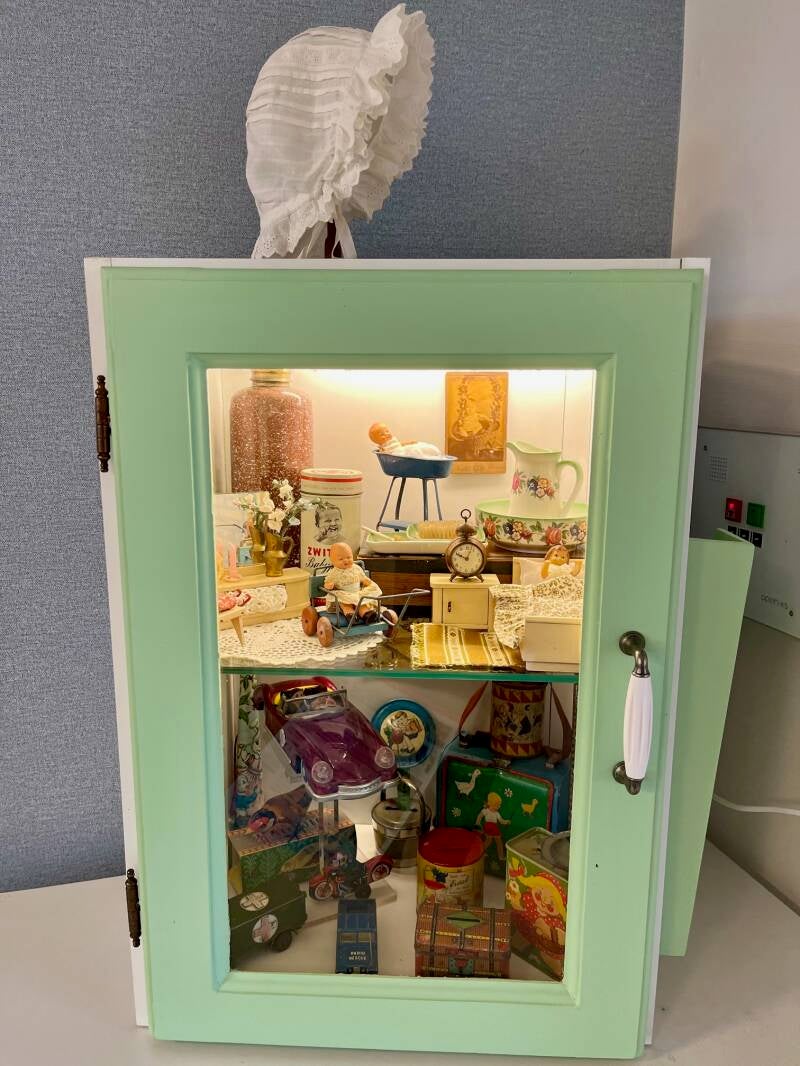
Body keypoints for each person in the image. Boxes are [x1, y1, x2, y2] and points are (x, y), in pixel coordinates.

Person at [475, 791, 511, 861]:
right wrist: (477, 823)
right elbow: (479, 816)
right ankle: (481, 853)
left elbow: (501, 821)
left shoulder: (497, 813)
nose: (499, 806)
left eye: (499, 805)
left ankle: (499, 856)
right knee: (496, 842)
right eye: (497, 805)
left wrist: (506, 821)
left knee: (491, 841)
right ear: (491, 804)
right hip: (490, 827)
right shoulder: (486, 810)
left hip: (493, 827)